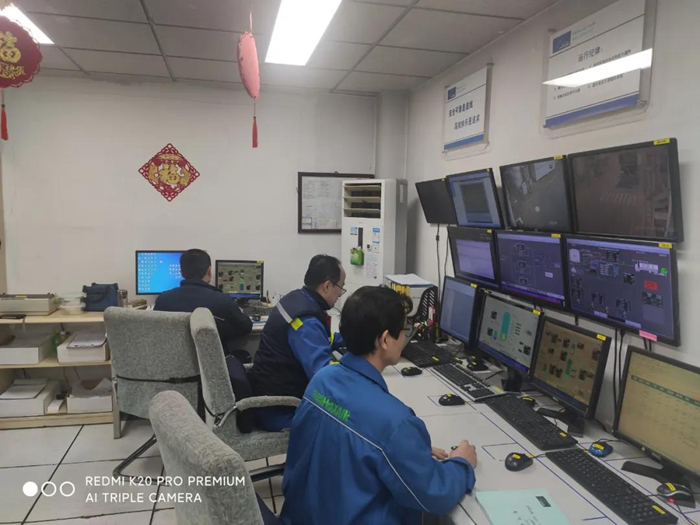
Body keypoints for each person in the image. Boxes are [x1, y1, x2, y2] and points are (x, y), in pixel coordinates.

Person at [281, 286, 477, 525]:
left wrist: (409, 450)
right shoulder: (396, 423)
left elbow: (346, 440)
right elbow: (435, 495)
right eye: (403, 330)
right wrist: (462, 463)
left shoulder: (322, 380)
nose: (404, 338)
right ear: (385, 340)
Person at [247, 254, 346, 431]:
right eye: (341, 287)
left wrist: (353, 339)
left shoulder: (295, 298)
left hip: (269, 394)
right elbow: (324, 375)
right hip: (281, 410)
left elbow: (319, 339)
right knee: (347, 417)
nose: (340, 294)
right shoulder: (306, 320)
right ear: (327, 286)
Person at [154, 249, 252, 354]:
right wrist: (238, 313)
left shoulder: (162, 300)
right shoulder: (222, 300)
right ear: (209, 271)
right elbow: (246, 327)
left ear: (181, 272)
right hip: (212, 362)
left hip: (174, 361)